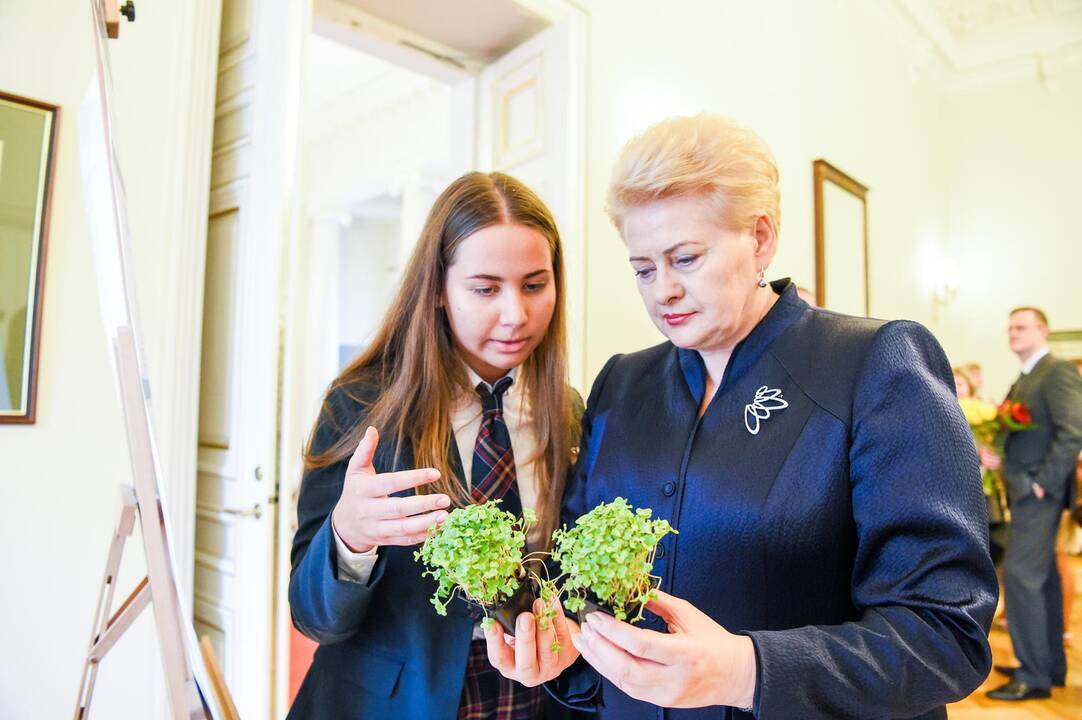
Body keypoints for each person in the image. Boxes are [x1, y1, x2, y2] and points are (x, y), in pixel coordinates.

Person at [493, 115, 997, 719]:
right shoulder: (620, 384)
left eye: (685, 258)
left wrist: (747, 671)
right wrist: (565, 652)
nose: (663, 292)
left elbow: (945, 635)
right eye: (643, 269)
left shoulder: (871, 364)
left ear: (760, 238)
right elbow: (577, 586)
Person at [287, 172, 583, 719]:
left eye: (535, 285)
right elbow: (314, 618)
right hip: (399, 703)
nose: (516, 314)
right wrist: (349, 536)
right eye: (485, 288)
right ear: (439, 292)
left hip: (537, 698)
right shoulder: (360, 404)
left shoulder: (566, 410)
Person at [981, 308, 1082, 700]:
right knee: (1043, 582)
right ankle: (1049, 664)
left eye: (1022, 327)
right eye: (1010, 327)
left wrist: (1043, 484)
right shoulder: (1027, 377)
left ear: (1044, 331)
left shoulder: (1055, 371)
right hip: (1024, 489)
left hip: (1038, 494)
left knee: (1022, 579)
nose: (1013, 333)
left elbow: (1074, 430)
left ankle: (1033, 674)